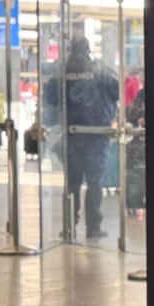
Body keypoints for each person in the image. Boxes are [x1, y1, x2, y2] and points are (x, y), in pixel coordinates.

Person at [47, 37, 119, 238]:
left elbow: (50, 98)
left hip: (71, 135)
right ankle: (93, 227)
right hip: (97, 135)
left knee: (72, 184)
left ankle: (69, 226)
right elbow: (117, 90)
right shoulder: (100, 69)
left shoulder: (62, 71)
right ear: (88, 49)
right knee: (95, 182)